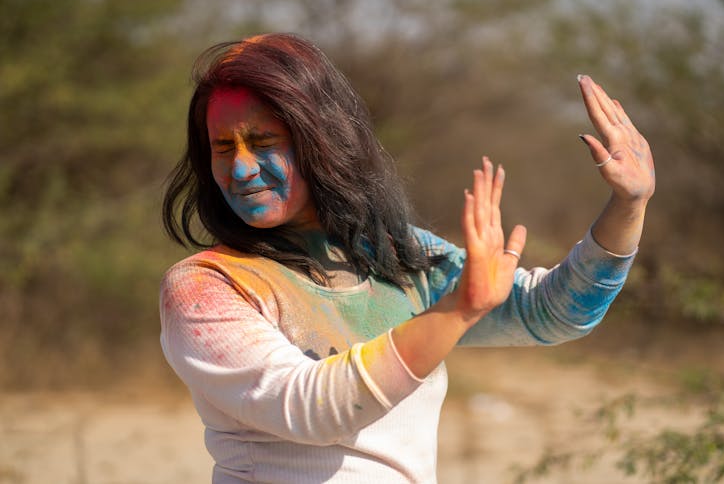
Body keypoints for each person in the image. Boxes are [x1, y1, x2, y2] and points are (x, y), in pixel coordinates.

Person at [160, 33, 654, 483]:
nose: (241, 169)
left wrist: (629, 206)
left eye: (263, 143)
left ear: (321, 141)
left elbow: (552, 313)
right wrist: (456, 311)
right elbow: (310, 408)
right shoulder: (206, 286)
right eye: (223, 148)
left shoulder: (393, 256)